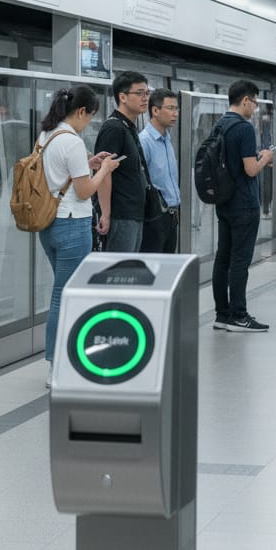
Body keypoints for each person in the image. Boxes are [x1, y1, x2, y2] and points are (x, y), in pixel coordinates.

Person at [37, 86, 120, 385]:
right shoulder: (71, 141)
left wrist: (90, 164)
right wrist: (105, 169)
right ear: (83, 112)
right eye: (91, 117)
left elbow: (61, 176)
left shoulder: (47, 136)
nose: (89, 123)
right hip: (72, 224)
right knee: (65, 295)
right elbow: (85, 191)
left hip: (48, 224)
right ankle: (57, 365)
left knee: (64, 292)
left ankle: (66, 359)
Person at [212, 80, 274, 332]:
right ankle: (239, 314)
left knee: (222, 258)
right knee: (240, 260)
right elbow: (250, 169)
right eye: (255, 102)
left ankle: (222, 314)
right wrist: (265, 158)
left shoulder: (220, 125)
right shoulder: (244, 128)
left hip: (223, 200)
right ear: (246, 100)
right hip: (244, 203)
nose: (255, 107)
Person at [95, 71, 149, 252]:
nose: (145, 98)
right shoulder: (114, 128)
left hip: (133, 214)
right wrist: (106, 214)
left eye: (147, 93)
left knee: (130, 270)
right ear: (123, 97)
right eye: (139, 93)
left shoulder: (128, 127)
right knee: (118, 272)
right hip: (121, 214)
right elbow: (104, 172)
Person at [139, 88, 181, 252]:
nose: (175, 114)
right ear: (155, 110)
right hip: (154, 217)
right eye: (170, 108)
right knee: (152, 269)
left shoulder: (166, 139)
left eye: (176, 109)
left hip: (172, 216)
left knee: (166, 268)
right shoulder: (144, 141)